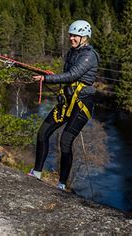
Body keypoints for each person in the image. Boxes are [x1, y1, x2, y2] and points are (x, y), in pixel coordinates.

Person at [28, 20, 99, 191]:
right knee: (43, 133)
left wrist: (46, 79)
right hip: (67, 100)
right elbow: (67, 74)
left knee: (66, 140)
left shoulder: (89, 55)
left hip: (82, 104)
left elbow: (72, 75)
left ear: (84, 37)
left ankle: (61, 184)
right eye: (70, 35)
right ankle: (36, 172)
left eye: (75, 36)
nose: (71, 38)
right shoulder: (72, 53)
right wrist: (51, 75)